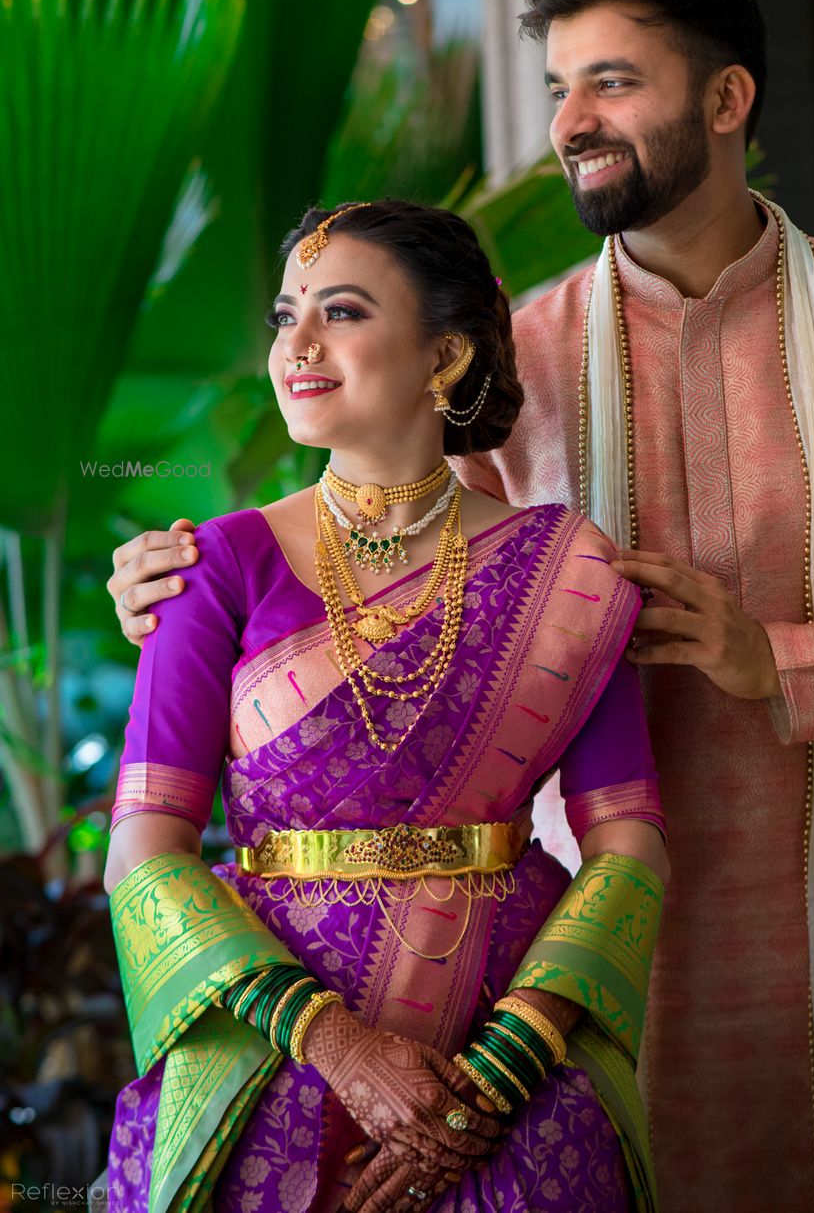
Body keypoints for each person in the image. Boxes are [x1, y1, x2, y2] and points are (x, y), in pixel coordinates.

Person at [107, 0, 814, 1213]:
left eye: (611, 82)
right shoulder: (503, 354)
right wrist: (177, 583)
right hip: (541, 962)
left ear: (728, 100)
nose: (568, 122)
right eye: (558, 84)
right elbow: (365, 547)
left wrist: (779, 659)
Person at [103, 198, 669, 1213]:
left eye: (344, 312)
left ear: (444, 355)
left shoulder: (567, 572)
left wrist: (506, 1061)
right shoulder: (213, 566)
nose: (297, 346)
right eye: (286, 316)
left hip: (511, 1057)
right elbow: (146, 847)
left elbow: (629, 840)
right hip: (272, 1046)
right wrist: (340, 1046)